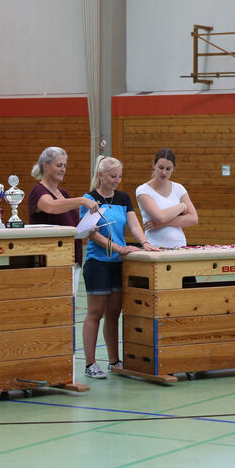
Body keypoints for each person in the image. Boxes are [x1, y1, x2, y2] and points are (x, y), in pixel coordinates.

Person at [79, 156, 158, 379]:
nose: (117, 180)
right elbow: (91, 234)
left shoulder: (123, 198)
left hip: (118, 265)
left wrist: (144, 242)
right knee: (95, 313)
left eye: (120, 176)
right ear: (101, 175)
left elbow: (134, 224)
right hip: (98, 263)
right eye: (113, 176)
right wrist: (118, 248)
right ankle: (90, 364)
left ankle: (114, 361)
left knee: (114, 314)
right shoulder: (90, 199)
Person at [28, 146, 99, 271]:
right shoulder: (38, 191)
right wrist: (82, 200)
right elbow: (50, 206)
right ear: (45, 166)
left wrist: (87, 229)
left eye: (65, 166)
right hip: (50, 259)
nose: (63, 169)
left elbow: (70, 225)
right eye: (59, 165)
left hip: (72, 257)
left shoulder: (64, 193)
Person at [136, 148, 198, 248]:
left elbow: (193, 219)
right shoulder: (143, 190)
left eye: (168, 169)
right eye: (161, 167)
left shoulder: (179, 188)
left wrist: (161, 224)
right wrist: (182, 206)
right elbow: (161, 217)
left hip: (180, 246)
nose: (164, 172)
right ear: (154, 164)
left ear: (173, 168)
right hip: (155, 246)